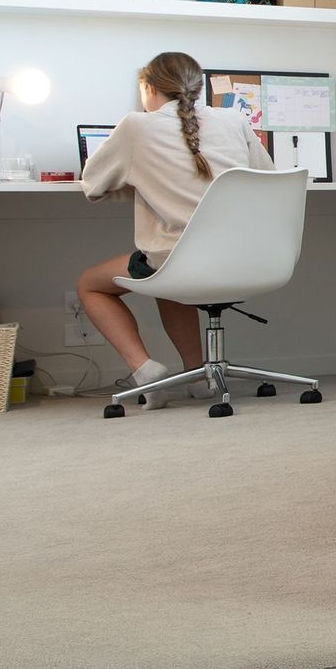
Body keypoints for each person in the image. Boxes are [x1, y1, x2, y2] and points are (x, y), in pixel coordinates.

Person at [76, 51, 267, 406]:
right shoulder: (235, 121)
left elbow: (92, 184)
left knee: (91, 284)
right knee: (171, 273)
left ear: (148, 88)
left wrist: (142, 181)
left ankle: (145, 371)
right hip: (248, 257)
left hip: (180, 260)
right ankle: (198, 375)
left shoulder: (136, 125)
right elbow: (266, 180)